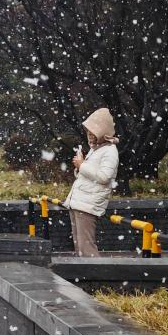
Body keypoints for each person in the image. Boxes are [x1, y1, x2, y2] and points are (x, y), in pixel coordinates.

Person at [63, 108, 120, 257]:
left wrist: (82, 165)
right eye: (88, 131)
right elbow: (87, 175)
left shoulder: (110, 151)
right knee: (80, 246)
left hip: (88, 203)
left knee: (86, 248)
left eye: (93, 132)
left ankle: (97, 276)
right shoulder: (96, 149)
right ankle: (85, 276)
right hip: (79, 201)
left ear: (102, 132)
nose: (89, 135)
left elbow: (104, 177)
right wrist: (79, 166)